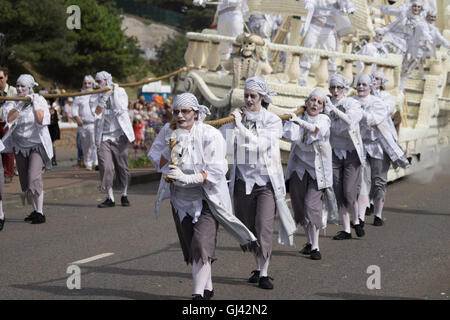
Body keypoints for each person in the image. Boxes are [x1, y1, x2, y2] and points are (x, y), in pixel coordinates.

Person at [148, 93, 258, 300]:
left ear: (196, 113)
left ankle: (197, 295)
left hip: (207, 199)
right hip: (180, 201)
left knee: (201, 244)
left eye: (185, 111)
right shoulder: (168, 130)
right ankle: (206, 286)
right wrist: (169, 151)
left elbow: (217, 172)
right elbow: (155, 157)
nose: (180, 116)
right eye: (176, 112)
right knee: (194, 248)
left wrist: (188, 178)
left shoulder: (209, 134)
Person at [222, 76, 296, 288]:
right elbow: (226, 147)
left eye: (253, 96)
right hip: (242, 180)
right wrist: (230, 126)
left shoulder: (272, 120)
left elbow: (260, 146)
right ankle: (257, 265)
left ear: (262, 97)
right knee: (248, 228)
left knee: (263, 226)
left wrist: (241, 128)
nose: (248, 99)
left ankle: (264, 273)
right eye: (246, 95)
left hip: (265, 183)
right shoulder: (238, 118)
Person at [283, 88, 335, 260]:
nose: (315, 104)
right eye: (312, 100)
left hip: (317, 171)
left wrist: (297, 120)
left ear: (322, 108)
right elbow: (290, 136)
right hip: (299, 168)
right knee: (299, 208)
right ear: (306, 103)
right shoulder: (299, 117)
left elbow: (316, 130)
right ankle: (309, 241)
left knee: (311, 206)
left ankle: (315, 247)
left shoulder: (324, 119)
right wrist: (292, 119)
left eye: (319, 102)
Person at [353, 75, 410, 227]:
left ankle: (378, 214)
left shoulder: (380, 101)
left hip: (379, 146)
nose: (361, 87)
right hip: (362, 146)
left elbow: (375, 119)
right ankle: (361, 217)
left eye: (364, 84)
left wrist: (359, 114)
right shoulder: (353, 102)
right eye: (358, 84)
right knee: (362, 181)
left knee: (379, 181)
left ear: (370, 87)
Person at [3, 74, 53, 224]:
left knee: (33, 177)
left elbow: (40, 119)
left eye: (22, 87)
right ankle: (34, 210)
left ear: (30, 88)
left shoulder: (40, 100)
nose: (19, 89)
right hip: (19, 146)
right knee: (25, 183)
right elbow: (9, 119)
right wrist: (20, 105)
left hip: (36, 145)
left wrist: (34, 103)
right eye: (17, 86)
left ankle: (40, 212)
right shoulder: (13, 101)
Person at [324, 74, 365, 240]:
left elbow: (350, 120)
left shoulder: (352, 103)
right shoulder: (325, 103)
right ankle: (347, 229)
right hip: (333, 152)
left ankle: (356, 220)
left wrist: (332, 108)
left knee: (349, 191)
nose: (335, 91)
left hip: (351, 152)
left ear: (345, 89)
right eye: (332, 87)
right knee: (338, 192)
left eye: (339, 88)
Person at [89, 71, 135, 208]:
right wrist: (103, 98)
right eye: (95, 82)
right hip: (103, 136)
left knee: (122, 167)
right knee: (106, 167)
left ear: (107, 80)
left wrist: (112, 93)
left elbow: (121, 109)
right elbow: (96, 113)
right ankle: (110, 197)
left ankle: (124, 194)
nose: (97, 84)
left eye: (99, 81)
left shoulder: (120, 91)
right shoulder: (94, 96)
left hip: (119, 135)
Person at [298, 0, 356, 86]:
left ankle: (332, 81)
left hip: (329, 29)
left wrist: (350, 8)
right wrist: (308, 4)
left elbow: (345, 3)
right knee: (308, 52)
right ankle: (302, 80)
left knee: (331, 55)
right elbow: (309, 1)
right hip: (314, 26)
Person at [380, 0, 432, 92]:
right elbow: (393, 25)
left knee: (406, 71)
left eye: (418, 7)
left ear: (421, 9)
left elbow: (426, 35)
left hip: (412, 47)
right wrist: (383, 30)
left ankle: (399, 90)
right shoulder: (404, 15)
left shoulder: (422, 22)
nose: (416, 8)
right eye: (414, 6)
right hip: (399, 44)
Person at [72, 75, 98, 171]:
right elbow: (74, 110)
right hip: (83, 124)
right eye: (85, 83)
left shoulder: (96, 95)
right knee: (85, 145)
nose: (87, 85)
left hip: (94, 124)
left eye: (89, 83)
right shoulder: (79, 96)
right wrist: (77, 118)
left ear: (92, 84)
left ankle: (96, 163)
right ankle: (88, 163)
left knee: (95, 144)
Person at [0, 67, 17, 184]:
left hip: (7, 124)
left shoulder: (14, 91)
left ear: (6, 77)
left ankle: (8, 173)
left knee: (7, 149)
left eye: (1, 77)